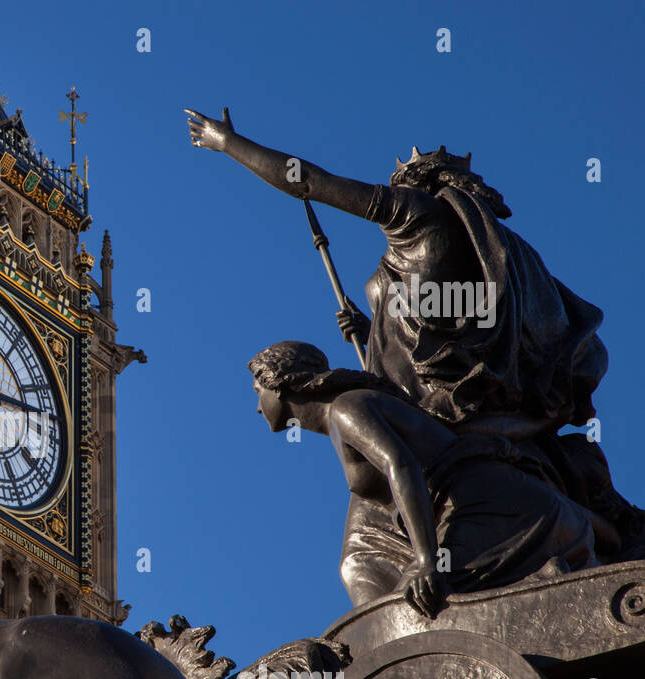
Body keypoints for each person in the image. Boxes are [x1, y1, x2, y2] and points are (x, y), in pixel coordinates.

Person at [189, 107, 645, 561]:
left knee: (361, 556)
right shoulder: (492, 247)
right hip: (457, 411)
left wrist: (227, 143)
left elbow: (307, 181)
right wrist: (374, 332)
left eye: (399, 184)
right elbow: (445, 324)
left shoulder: (417, 213)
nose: (391, 192)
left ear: (418, 186)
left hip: (437, 421)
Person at [248, 341, 598, 617]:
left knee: (413, 611)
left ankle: (547, 578)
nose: (258, 407)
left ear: (278, 384)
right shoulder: (347, 410)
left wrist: (426, 560)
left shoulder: (345, 409)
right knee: (400, 611)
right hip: (481, 509)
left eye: (257, 392)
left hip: (497, 512)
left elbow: (400, 465)